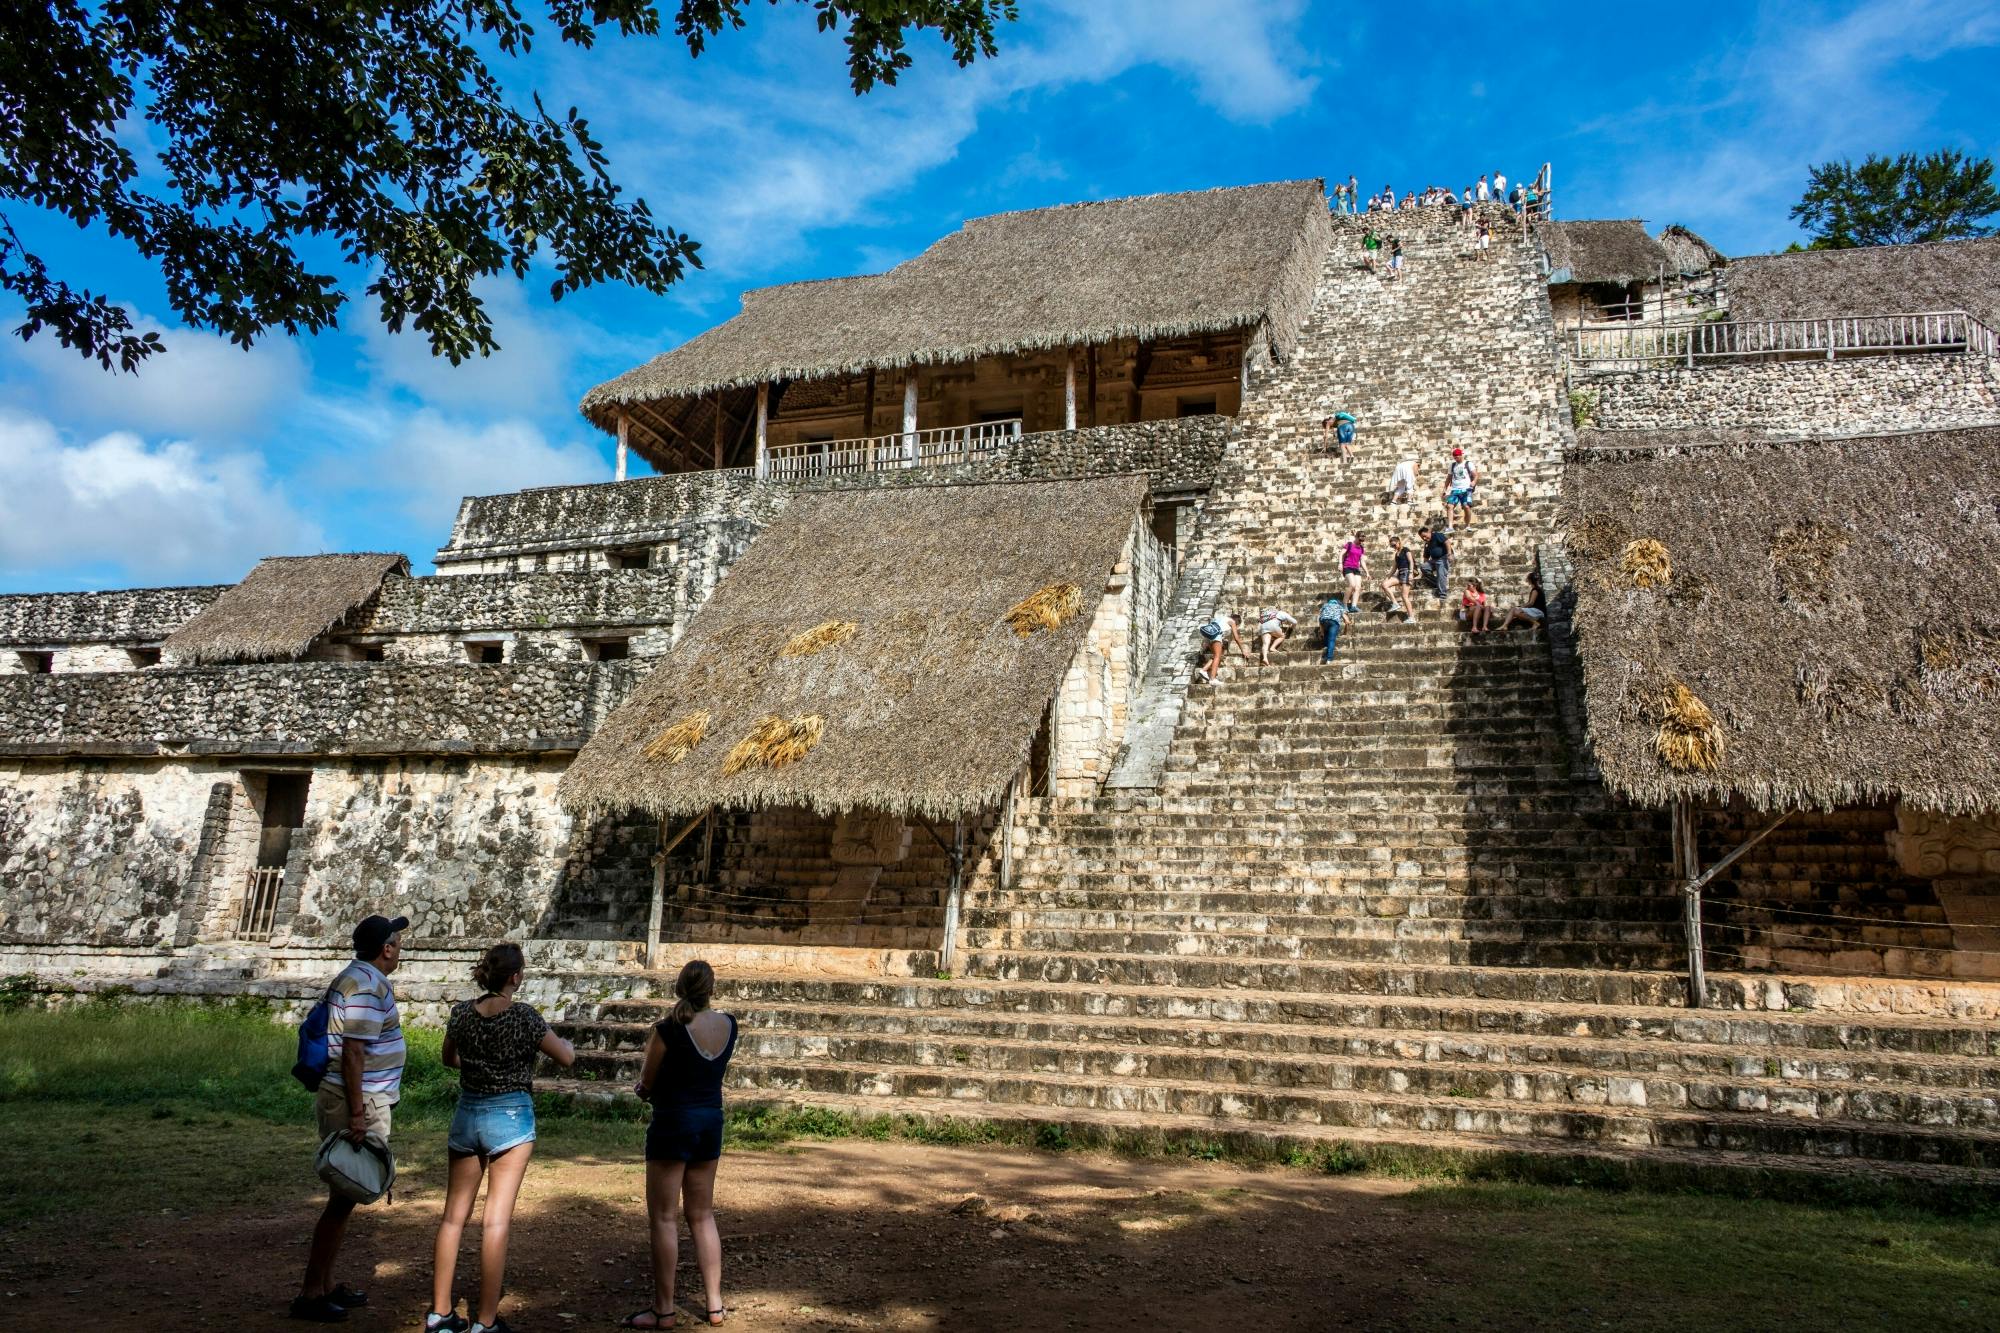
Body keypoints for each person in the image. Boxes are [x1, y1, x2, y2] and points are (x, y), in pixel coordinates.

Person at [426, 943, 577, 1333]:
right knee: (495, 1222)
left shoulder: (462, 1013)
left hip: (468, 1112)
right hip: (510, 1115)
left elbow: (448, 1058)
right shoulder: (524, 1017)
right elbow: (565, 1058)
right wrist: (568, 1046)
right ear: (515, 976)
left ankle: (439, 1313)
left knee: (453, 1218)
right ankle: (486, 1321)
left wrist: (478, 1064)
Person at [293, 914, 409, 1323]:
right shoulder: (366, 985)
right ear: (386, 949)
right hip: (353, 1100)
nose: (400, 949)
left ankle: (325, 1283)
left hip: (354, 1097)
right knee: (344, 1197)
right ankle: (311, 1291)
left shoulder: (358, 977)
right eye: (397, 943)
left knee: (342, 1198)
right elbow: (354, 1053)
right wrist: (358, 1114)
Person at [625, 961, 737, 1330]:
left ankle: (664, 1309)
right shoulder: (729, 1025)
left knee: (663, 1217)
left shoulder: (667, 1029)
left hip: (673, 1123)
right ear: (711, 988)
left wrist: (643, 1090)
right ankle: (715, 1305)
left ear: (679, 987)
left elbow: (647, 1082)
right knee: (702, 1215)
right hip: (710, 1122)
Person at [1196, 610, 1244, 684]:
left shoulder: (1222, 618)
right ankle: (1212, 679)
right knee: (1217, 656)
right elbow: (1236, 638)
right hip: (1216, 636)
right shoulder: (1232, 622)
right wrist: (1243, 650)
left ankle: (1204, 670)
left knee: (1216, 655)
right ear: (1237, 622)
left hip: (1209, 637)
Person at [1443, 447, 1479, 528]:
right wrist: (1445, 489)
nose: (1456, 459)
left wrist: (1474, 482)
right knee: (1449, 506)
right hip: (1455, 490)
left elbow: (1476, 475)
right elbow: (1449, 477)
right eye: (1454, 457)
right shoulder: (1452, 465)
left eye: (1457, 457)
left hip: (1466, 489)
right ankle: (1450, 527)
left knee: (1466, 506)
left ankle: (1468, 525)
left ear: (1461, 455)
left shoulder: (1468, 464)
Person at [1381, 536, 1415, 617]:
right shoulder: (1397, 554)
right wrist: (1387, 578)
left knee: (1404, 596)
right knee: (1384, 585)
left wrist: (1411, 573)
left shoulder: (1405, 550)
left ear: (1398, 542)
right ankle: (1395, 603)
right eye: (1392, 546)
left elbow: (1411, 561)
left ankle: (1411, 617)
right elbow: (1394, 568)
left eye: (1394, 545)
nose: (1393, 547)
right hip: (1400, 574)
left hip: (1406, 573)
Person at [1420, 524, 1452, 604]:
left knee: (1441, 574)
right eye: (1422, 537)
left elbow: (1447, 542)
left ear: (1429, 532)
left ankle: (1443, 594)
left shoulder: (1437, 535)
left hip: (1443, 557)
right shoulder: (1427, 544)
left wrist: (1449, 554)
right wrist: (1424, 571)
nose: (1424, 538)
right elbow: (1426, 557)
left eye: (1425, 536)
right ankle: (1437, 583)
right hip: (1434, 560)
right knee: (1423, 567)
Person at [1317, 593, 1350, 664]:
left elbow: (1319, 617)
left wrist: (1321, 630)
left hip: (1324, 621)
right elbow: (1347, 621)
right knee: (1331, 640)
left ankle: (1326, 648)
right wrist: (1345, 632)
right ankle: (1329, 659)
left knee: (1326, 634)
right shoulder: (1339, 607)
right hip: (1333, 622)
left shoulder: (1325, 605)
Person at [1340, 534, 1369, 611]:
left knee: (1358, 587)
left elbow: (1362, 561)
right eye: (1359, 540)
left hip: (1356, 568)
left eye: (1362, 541)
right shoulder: (1349, 544)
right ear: (1356, 537)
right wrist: (1340, 564)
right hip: (1347, 567)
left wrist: (1367, 572)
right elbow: (1341, 554)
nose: (1360, 542)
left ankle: (1353, 606)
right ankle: (1344, 604)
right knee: (1352, 585)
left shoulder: (1361, 548)